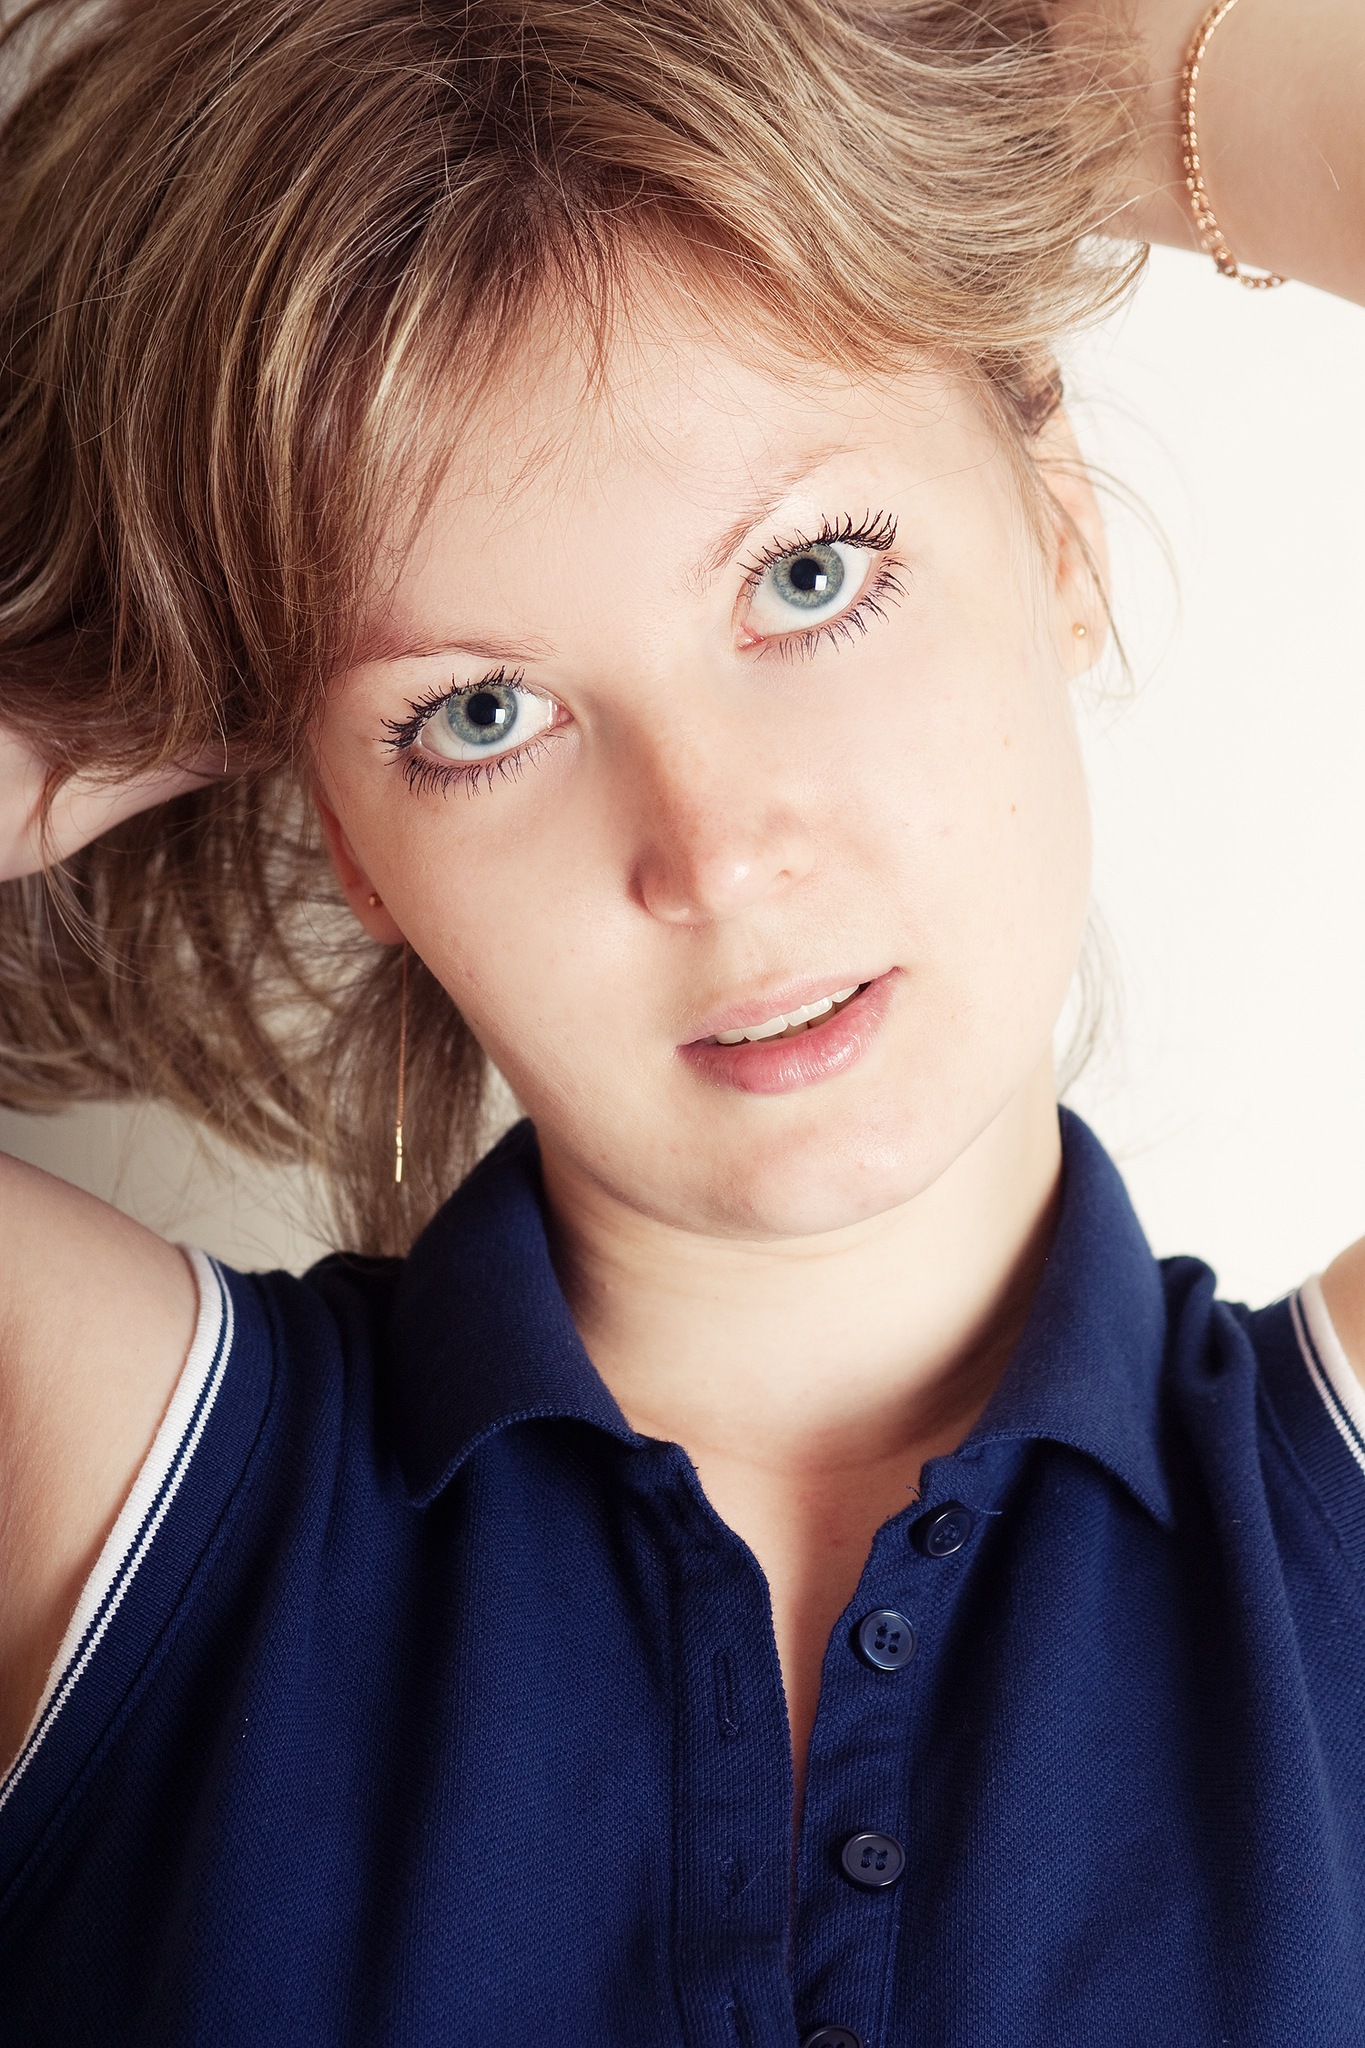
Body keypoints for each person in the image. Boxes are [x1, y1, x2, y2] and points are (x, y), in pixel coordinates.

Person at [0, 0, 1361, 2038]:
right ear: (347, 832)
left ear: (1055, 527)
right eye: (477, 711)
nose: (711, 855)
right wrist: (92, 654)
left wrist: (1069, 92)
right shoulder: (113, 1489)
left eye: (807, 577)